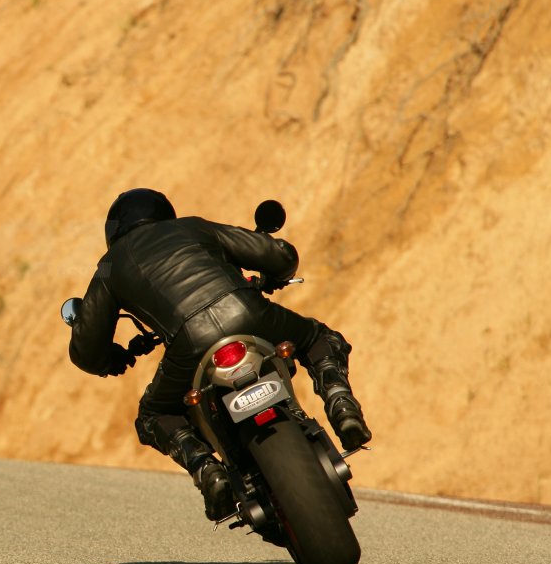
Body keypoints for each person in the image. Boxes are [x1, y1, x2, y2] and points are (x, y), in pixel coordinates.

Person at [66, 188, 372, 521]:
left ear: (113, 232)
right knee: (318, 337)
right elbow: (279, 255)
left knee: (154, 415)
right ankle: (340, 400)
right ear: (166, 214)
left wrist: (111, 359)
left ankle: (206, 468)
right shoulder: (192, 228)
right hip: (248, 313)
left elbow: (86, 350)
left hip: (189, 344)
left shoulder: (110, 267)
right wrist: (275, 274)